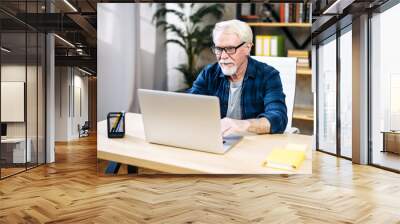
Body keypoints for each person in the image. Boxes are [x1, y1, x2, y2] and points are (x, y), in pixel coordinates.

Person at [188, 19, 287, 136]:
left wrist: (243, 125)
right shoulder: (209, 74)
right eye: (218, 49)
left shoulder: (268, 75)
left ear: (247, 48)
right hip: (217, 141)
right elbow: (190, 106)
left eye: (230, 49)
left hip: (253, 144)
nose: (223, 56)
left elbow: (278, 118)